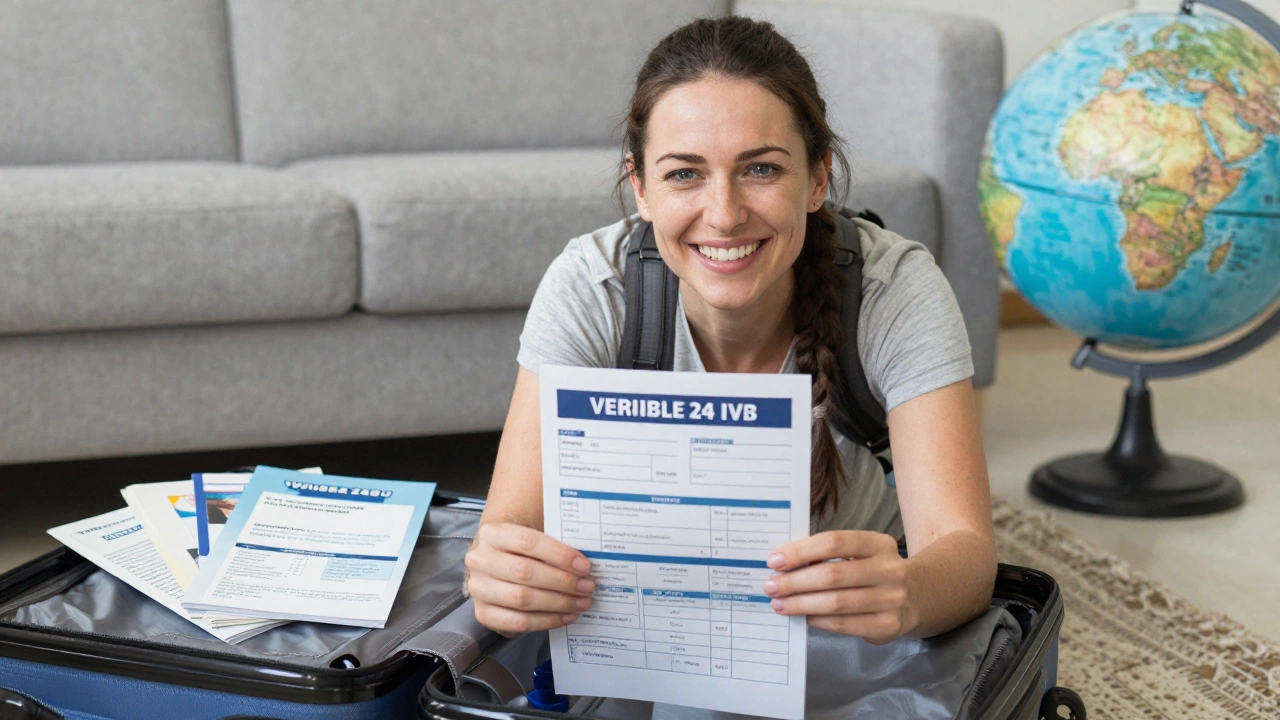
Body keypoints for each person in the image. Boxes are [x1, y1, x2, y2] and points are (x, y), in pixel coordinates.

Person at [464, 15, 996, 645]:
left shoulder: (893, 289)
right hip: (642, 637)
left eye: (761, 170)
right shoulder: (592, 286)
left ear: (817, 177)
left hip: (845, 646)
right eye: (684, 173)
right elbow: (511, 529)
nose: (724, 214)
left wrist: (909, 594)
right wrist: (503, 577)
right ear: (641, 187)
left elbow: (963, 550)